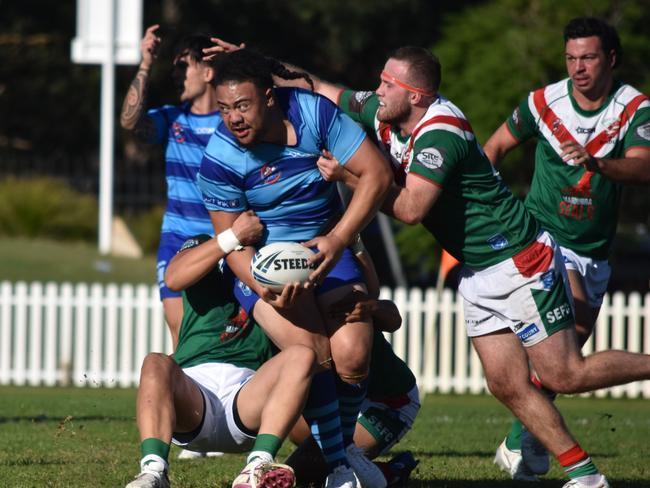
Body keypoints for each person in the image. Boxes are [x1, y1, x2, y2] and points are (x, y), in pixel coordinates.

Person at [276, 45, 650, 488]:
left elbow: (412, 208)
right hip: (479, 269)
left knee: (562, 374)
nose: (376, 92)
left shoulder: (442, 132)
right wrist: (261, 68)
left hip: (519, 259)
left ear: (415, 95)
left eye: (386, 85)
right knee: (506, 384)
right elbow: (320, 87)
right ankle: (585, 476)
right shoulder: (388, 110)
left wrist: (351, 176)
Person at [197, 49, 392, 488]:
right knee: (315, 352)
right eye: (225, 109)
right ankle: (341, 467)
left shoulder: (312, 114)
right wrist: (264, 289)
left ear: (269, 97)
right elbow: (231, 245)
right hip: (264, 271)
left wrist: (339, 239)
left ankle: (339, 453)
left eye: (243, 106)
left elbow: (377, 174)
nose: (234, 119)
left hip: (327, 250)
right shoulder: (220, 156)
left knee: (353, 353)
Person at [482, 17, 650, 480]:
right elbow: (493, 147)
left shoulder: (634, 108)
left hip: (594, 249)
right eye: (571, 57)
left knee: (565, 362)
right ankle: (551, 456)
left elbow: (643, 168)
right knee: (568, 349)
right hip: (542, 238)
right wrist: (487, 206)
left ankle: (522, 443)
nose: (578, 68)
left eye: (588, 57)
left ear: (611, 58)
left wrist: (598, 163)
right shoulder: (542, 103)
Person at [124, 211, 312, 488]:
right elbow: (174, 278)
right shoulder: (205, 244)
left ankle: (258, 466)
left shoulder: (281, 255)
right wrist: (233, 237)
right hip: (194, 394)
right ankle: (154, 472)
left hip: (248, 394)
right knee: (155, 361)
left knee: (302, 354)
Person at [284, 238, 420, 487]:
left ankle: (390, 473)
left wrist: (371, 307)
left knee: (304, 472)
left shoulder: (339, 298)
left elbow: (393, 318)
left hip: (386, 403)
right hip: (336, 401)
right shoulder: (290, 307)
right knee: (293, 423)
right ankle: (354, 465)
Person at [119, 25, 221, 349]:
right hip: (177, 240)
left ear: (208, 71)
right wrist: (146, 63)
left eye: (183, 67)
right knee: (182, 334)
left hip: (225, 240)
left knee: (230, 332)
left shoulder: (237, 123)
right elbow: (130, 122)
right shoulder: (171, 118)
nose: (175, 75)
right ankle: (187, 400)